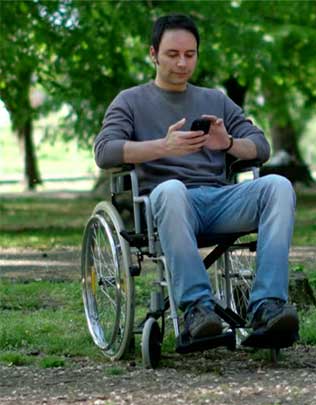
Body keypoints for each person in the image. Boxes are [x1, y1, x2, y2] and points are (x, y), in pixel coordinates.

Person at [94, 14, 299, 348]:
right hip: (167, 205)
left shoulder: (215, 100)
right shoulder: (130, 101)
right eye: (173, 54)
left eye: (190, 54)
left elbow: (261, 146)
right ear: (153, 54)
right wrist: (163, 146)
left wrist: (229, 144)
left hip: (219, 200)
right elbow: (105, 152)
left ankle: (267, 307)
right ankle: (197, 311)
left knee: (279, 186)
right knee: (172, 189)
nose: (182, 63)